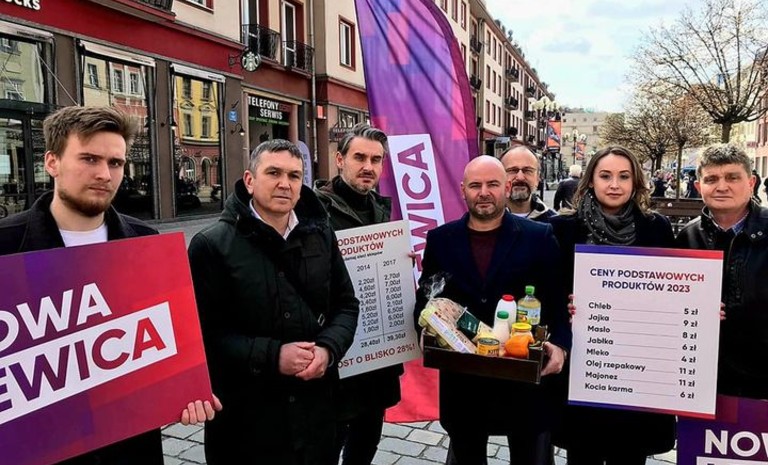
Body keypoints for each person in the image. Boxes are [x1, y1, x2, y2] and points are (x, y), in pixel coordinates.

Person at [0, 105, 220, 465]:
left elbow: (166, 344)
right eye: (89, 159)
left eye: (115, 163)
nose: (104, 174)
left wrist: (183, 389)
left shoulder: (144, 243)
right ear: (52, 162)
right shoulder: (6, 245)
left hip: (131, 452)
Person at [188, 139, 360, 465]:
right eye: (274, 173)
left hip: (316, 419)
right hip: (246, 425)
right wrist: (273, 356)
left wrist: (328, 349)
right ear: (250, 180)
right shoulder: (211, 245)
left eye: (294, 176)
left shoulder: (321, 234)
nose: (285, 183)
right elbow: (202, 336)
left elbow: (346, 305)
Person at [414, 156, 571, 465]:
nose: (484, 192)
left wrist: (561, 346)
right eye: (475, 185)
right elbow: (427, 296)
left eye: (492, 184)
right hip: (464, 383)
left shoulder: (538, 237)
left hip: (523, 380)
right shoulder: (441, 239)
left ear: (506, 188)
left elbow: (557, 300)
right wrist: (423, 329)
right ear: (463, 190)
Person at [549, 146, 676, 465]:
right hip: (586, 362)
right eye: (605, 176)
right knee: (583, 454)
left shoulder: (656, 227)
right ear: (591, 180)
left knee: (631, 454)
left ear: (636, 182)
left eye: (624, 176)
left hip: (639, 367)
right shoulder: (564, 228)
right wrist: (565, 303)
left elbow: (674, 288)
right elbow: (549, 287)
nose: (615, 184)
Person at [314, 123, 401, 465]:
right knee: (328, 443)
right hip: (337, 350)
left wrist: (399, 261)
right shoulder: (315, 209)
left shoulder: (381, 207)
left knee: (366, 440)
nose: (368, 166)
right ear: (340, 160)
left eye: (376, 160)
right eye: (359, 157)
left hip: (375, 354)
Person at [676, 144, 768, 400]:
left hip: (761, 381)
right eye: (712, 179)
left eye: (732, 177)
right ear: (699, 187)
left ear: (751, 182)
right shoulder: (688, 236)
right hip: (701, 380)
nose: (722, 186)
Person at [499, 145, 556, 222]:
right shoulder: (486, 221)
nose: (520, 177)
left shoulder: (554, 223)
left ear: (538, 177)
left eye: (527, 171)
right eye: (512, 170)